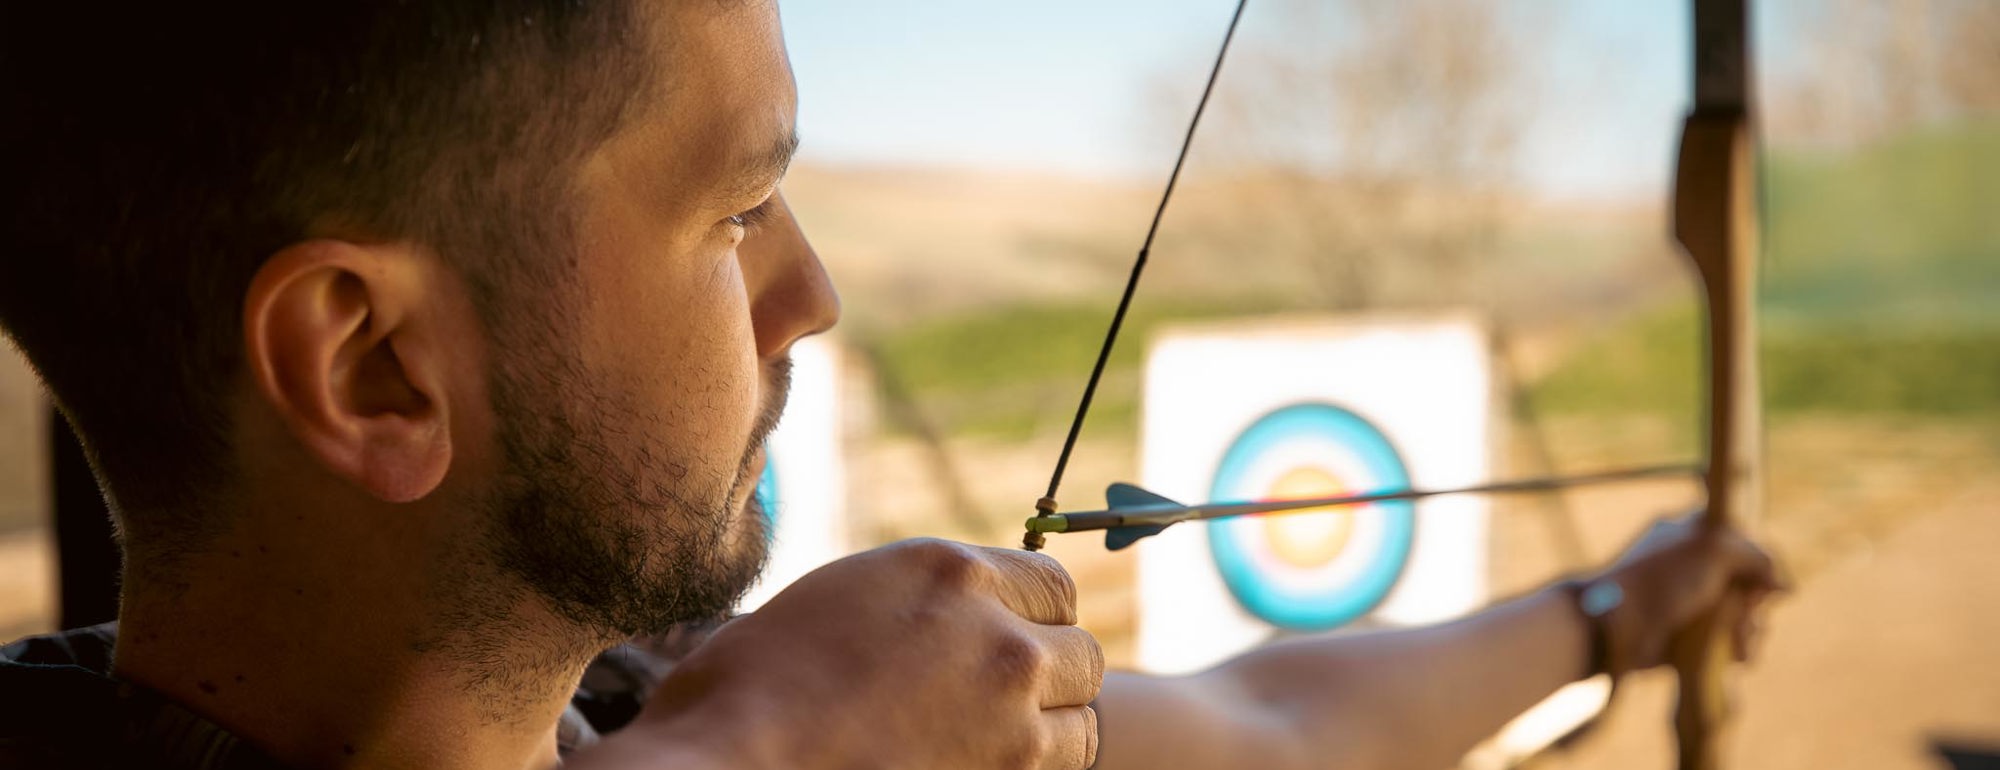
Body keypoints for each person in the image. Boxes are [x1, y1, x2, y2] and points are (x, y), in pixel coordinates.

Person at [0, 1, 1780, 769]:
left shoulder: (629, 698)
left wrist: (1611, 608)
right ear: (376, 364)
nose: (810, 295)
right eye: (735, 211)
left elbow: (1275, 730)